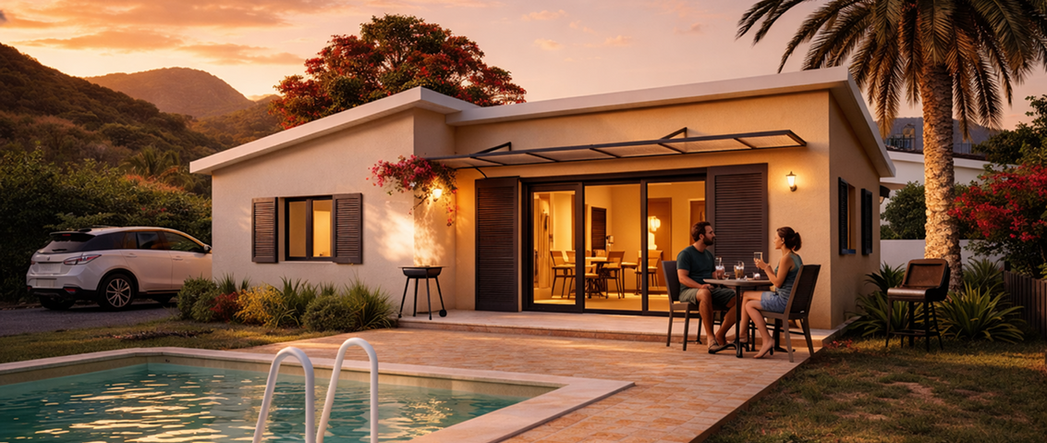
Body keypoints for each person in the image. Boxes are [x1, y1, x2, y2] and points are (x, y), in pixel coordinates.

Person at [738, 227, 803, 359]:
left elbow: (777, 283)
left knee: (748, 303)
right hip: (791, 300)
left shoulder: (786, 258)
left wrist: (766, 268)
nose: (773, 241)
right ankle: (743, 335)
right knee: (747, 298)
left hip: (783, 301)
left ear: (783, 240)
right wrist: (767, 268)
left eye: (775, 238)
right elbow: (781, 280)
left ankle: (763, 339)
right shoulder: (796, 257)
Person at [676, 221, 737, 353]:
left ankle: (720, 334)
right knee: (705, 294)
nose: (714, 235)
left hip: (708, 289)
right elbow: (682, 278)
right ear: (702, 236)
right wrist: (700, 286)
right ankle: (710, 339)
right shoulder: (686, 254)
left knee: (740, 298)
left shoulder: (708, 255)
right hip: (689, 291)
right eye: (711, 233)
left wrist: (721, 276)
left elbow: (713, 276)